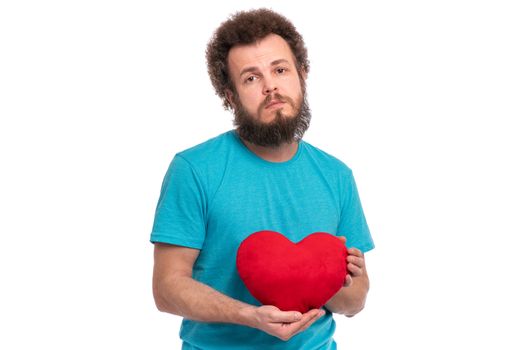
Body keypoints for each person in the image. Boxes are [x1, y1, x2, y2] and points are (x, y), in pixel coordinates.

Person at [150, 8, 375, 349]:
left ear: (302, 74)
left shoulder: (337, 175)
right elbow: (167, 288)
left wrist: (343, 281)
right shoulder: (194, 169)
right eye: (251, 78)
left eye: (280, 70)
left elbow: (354, 302)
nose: (271, 86)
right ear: (231, 96)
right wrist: (249, 315)